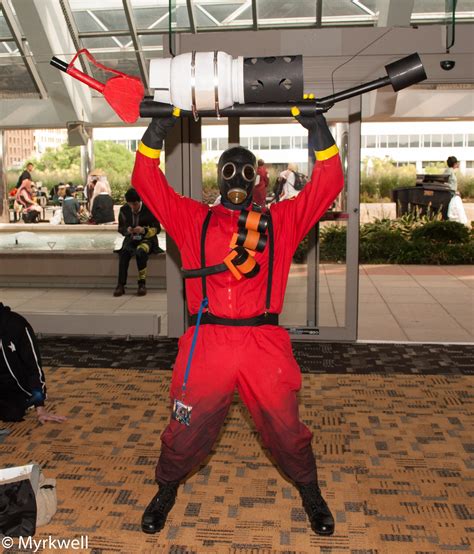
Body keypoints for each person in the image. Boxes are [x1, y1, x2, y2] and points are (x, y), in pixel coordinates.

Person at [132, 108, 343, 537]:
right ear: (219, 176)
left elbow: (328, 186)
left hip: (263, 343)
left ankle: (310, 489)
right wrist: (154, 134)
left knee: (286, 428)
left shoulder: (278, 222)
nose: (237, 179)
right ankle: (166, 486)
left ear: (256, 178)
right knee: (186, 426)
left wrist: (321, 134)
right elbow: (146, 183)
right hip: (206, 342)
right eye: (229, 170)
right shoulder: (193, 219)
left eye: (245, 172)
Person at [0, 303, 66, 425]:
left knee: (13, 414)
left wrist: (40, 408)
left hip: (14, 389)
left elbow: (33, 368)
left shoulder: (17, 325)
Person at [113, 188, 163, 297]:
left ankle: (142, 284)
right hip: (131, 239)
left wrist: (144, 230)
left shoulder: (150, 208)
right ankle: (120, 285)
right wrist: (128, 231)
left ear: (139, 201)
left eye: (135, 204)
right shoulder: (124, 210)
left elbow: (157, 229)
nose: (133, 207)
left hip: (148, 239)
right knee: (124, 252)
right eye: (130, 204)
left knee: (141, 251)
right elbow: (121, 228)